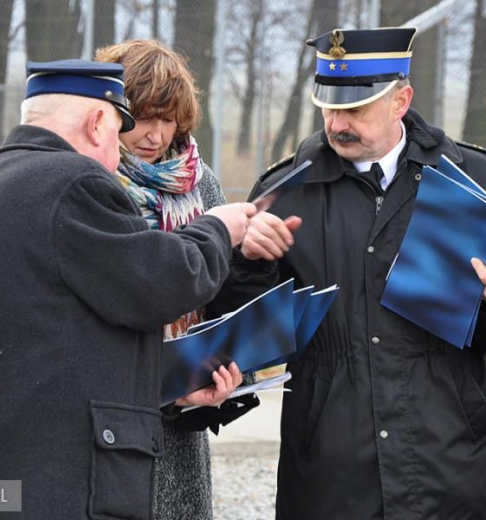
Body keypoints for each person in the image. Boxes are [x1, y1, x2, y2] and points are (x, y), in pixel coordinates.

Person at [220, 28, 486, 519]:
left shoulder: (473, 178)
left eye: (356, 109)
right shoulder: (285, 191)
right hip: (333, 475)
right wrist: (250, 264)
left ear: (401, 100)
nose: (338, 123)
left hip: (453, 467)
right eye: (329, 107)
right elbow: (244, 343)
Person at [0, 59, 257, 519]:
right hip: (55, 484)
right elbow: (164, 283)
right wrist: (217, 229)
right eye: (119, 131)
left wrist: (175, 389)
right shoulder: (73, 183)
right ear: (97, 123)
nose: (117, 157)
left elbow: (60, 346)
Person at [94, 39, 295, 520]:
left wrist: (251, 259)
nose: (155, 135)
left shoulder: (200, 180)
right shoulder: (91, 179)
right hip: (111, 405)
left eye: (169, 119)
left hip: (184, 419)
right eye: (143, 117)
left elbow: (220, 290)